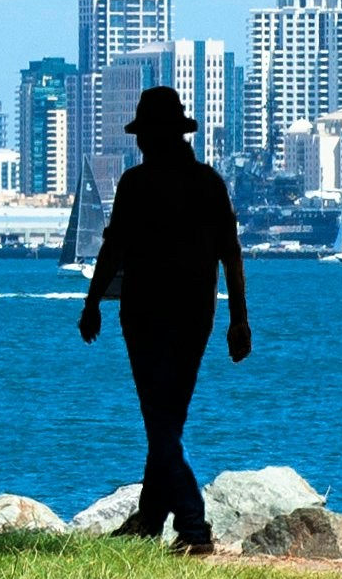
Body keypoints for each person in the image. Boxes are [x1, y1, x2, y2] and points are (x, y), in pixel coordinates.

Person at [77, 84, 250, 553]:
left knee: (161, 422)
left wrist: (92, 303)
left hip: (146, 316)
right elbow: (230, 257)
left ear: (153, 135)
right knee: (167, 416)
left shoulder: (137, 185)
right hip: (197, 315)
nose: (139, 142)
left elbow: (112, 250)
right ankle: (151, 518)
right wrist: (239, 319)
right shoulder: (209, 184)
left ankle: (193, 526)